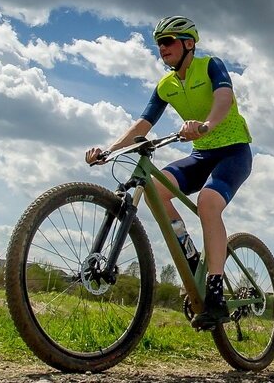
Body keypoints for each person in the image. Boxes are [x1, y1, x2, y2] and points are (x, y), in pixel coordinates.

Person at [85, 16, 253, 330]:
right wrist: (109, 150)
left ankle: (215, 290)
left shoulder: (210, 66)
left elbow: (224, 98)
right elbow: (143, 123)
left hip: (233, 152)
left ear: (189, 43)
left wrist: (206, 125)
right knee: (156, 191)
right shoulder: (166, 85)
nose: (162, 48)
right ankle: (190, 255)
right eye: (158, 43)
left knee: (208, 203)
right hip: (201, 155)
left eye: (168, 41)